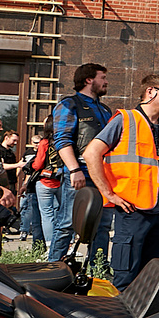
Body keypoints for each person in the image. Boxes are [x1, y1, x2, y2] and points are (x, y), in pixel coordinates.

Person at [83, 73, 159, 286]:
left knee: (152, 279)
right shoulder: (125, 119)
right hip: (133, 211)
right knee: (126, 278)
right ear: (150, 92)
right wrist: (108, 194)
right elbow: (91, 154)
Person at [45, 63, 111, 263]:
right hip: (80, 172)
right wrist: (74, 169)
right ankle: (53, 268)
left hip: (102, 175)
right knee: (67, 223)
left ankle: (97, 269)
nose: (106, 82)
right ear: (89, 79)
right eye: (102, 77)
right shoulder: (69, 104)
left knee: (103, 226)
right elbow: (62, 139)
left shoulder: (105, 109)